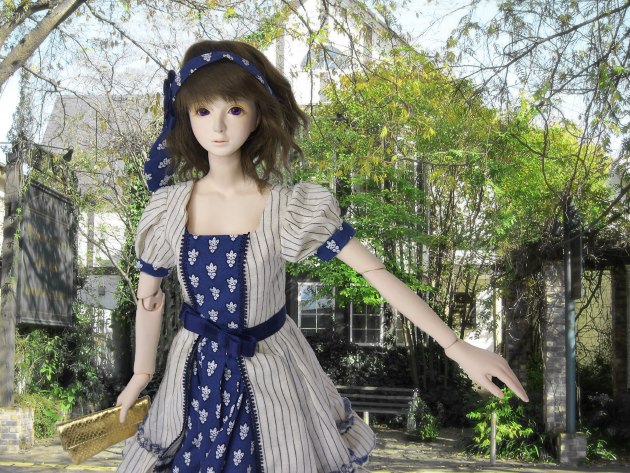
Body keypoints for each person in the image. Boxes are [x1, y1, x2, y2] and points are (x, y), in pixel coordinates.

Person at [115, 39, 528, 473]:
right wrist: (142, 374)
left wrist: (455, 345)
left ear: (257, 115)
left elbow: (373, 271)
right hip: (195, 372)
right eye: (203, 111)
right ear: (185, 116)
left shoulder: (286, 208)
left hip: (272, 369)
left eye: (234, 109)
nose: (218, 126)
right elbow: (150, 298)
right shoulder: (168, 208)